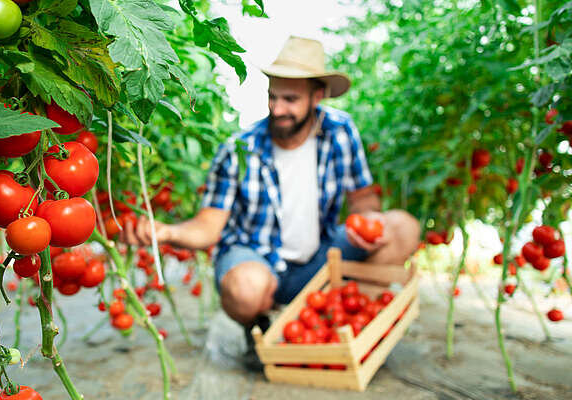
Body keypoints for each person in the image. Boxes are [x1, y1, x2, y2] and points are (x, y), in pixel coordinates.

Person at [120, 36, 420, 370]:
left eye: (290, 99)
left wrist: (366, 223)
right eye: (272, 97)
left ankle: (351, 319)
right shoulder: (239, 148)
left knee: (403, 228)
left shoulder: (340, 131)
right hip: (258, 264)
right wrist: (166, 232)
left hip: (319, 260)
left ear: (317, 96)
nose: (278, 109)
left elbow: (363, 197)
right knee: (246, 287)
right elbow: (209, 226)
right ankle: (259, 327)